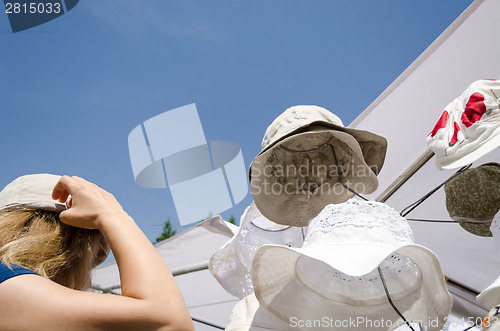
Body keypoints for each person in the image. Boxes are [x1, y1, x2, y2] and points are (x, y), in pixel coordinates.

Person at [0, 174, 195, 331]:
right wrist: (113, 215)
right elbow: (169, 322)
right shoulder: (6, 282)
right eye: (84, 260)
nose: (89, 281)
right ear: (59, 243)